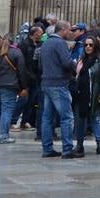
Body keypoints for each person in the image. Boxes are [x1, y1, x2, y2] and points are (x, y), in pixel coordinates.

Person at [38, 20, 78, 159]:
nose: (71, 33)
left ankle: (47, 148)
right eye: (69, 30)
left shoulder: (46, 43)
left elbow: (40, 65)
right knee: (67, 117)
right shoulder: (60, 43)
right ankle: (67, 149)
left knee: (47, 117)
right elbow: (66, 62)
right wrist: (75, 66)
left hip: (46, 82)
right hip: (58, 83)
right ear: (64, 30)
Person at [73, 34, 100, 157]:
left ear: (95, 46)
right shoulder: (81, 59)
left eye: (91, 45)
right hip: (81, 94)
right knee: (80, 120)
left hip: (95, 94)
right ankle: (79, 144)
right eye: (86, 45)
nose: (88, 47)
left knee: (96, 119)